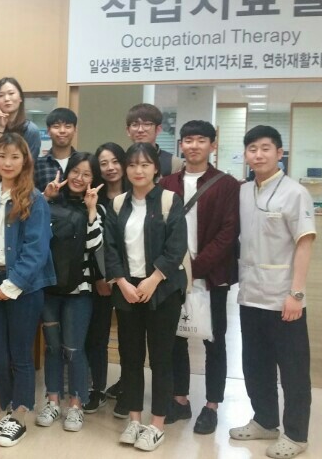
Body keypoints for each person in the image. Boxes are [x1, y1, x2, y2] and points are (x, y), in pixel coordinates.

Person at [0, 133, 55, 448]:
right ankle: (7, 408)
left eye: (15, 157)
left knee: (20, 354)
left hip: (25, 287)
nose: (7, 162)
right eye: (2, 156)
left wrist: (11, 285)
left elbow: (36, 249)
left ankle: (20, 415)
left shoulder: (36, 199)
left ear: (25, 161)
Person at [230, 125, 314, 459]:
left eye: (266, 148)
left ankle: (296, 434)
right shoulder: (243, 192)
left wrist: (297, 294)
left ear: (279, 153)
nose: (259, 154)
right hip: (250, 294)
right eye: (252, 149)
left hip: (283, 297)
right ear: (246, 155)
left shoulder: (295, 193)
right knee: (255, 363)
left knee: (293, 369)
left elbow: (304, 243)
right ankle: (265, 421)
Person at [104, 142, 187, 452]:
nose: (138, 170)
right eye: (132, 164)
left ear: (156, 168)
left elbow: (176, 246)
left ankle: (157, 424)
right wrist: (122, 282)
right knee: (130, 358)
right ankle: (135, 419)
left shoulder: (169, 200)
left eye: (144, 164)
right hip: (127, 290)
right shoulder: (118, 203)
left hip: (162, 290)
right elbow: (110, 248)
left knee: (161, 359)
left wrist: (153, 279)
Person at [158, 120, 240, 434]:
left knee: (214, 341)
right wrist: (175, 268)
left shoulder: (226, 184)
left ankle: (212, 405)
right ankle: (180, 399)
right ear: (181, 145)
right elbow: (159, 228)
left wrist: (196, 267)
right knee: (175, 339)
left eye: (201, 140)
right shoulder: (167, 183)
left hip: (213, 276)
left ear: (213, 145)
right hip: (174, 276)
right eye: (188, 140)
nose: (194, 146)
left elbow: (228, 232)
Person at [35, 152, 103, 433]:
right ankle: (52, 401)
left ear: (93, 179)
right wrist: (44, 198)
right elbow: (33, 233)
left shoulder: (96, 208)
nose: (79, 178)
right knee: (52, 347)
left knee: (74, 349)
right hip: (49, 288)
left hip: (80, 291)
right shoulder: (50, 202)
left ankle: (76, 404)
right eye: (75, 171)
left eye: (86, 174)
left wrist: (91, 210)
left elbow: (96, 248)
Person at [86, 142, 130, 415]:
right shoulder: (94, 197)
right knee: (98, 335)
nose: (110, 167)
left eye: (115, 161)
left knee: (128, 336)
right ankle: (97, 388)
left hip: (131, 279)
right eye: (104, 163)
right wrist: (99, 277)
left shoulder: (135, 195)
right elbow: (91, 242)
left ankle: (127, 386)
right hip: (101, 280)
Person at [0, 77, 41, 165]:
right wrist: (0, 129)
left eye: (11, 93)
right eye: (1, 95)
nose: (7, 98)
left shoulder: (31, 130)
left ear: (20, 98)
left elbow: (30, 164)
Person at [125, 103, 183, 176]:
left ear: (158, 129)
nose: (140, 130)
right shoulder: (121, 160)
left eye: (146, 124)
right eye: (135, 125)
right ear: (128, 130)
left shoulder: (174, 163)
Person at [35, 108, 78, 195]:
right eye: (56, 126)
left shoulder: (82, 162)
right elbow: (30, 197)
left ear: (75, 130)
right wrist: (46, 195)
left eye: (67, 126)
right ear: (48, 131)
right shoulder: (37, 165)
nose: (62, 131)